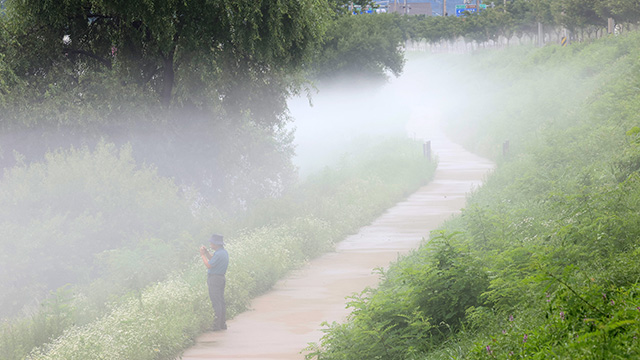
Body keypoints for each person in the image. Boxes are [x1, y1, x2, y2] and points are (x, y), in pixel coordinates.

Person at [199, 234, 228, 331]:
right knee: (221, 301)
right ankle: (222, 324)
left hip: (215, 279)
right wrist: (207, 253)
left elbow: (209, 265)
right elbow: (213, 260)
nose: (210, 244)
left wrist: (202, 255)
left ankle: (216, 326)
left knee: (216, 302)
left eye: (211, 242)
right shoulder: (222, 252)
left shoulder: (219, 254)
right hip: (221, 278)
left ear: (216, 244)